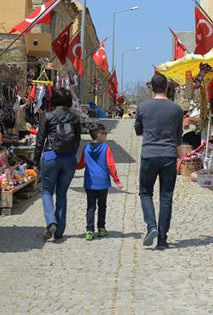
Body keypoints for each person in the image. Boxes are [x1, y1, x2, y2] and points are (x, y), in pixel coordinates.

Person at [134, 73, 183, 249]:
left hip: (149, 155)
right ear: (167, 88)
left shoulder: (142, 107)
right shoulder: (177, 109)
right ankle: (162, 239)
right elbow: (179, 137)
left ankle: (151, 226)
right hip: (169, 155)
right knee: (166, 197)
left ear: (152, 87)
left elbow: (138, 130)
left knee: (145, 193)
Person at [33, 87, 81, 241]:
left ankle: (51, 221)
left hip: (51, 155)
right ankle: (59, 231)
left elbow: (40, 140)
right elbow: (77, 141)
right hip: (69, 158)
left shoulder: (47, 116)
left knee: (47, 191)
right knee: (62, 194)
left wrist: (35, 161)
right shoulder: (74, 118)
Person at [76, 123, 123, 241]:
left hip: (90, 182)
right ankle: (101, 228)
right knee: (102, 206)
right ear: (98, 135)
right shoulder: (106, 148)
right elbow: (110, 165)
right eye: (104, 133)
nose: (106, 135)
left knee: (90, 207)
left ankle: (89, 230)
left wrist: (72, 166)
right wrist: (117, 181)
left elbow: (81, 164)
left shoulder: (86, 148)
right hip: (102, 183)